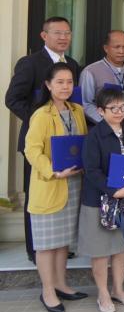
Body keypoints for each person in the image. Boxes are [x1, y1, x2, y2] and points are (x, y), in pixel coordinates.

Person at [6, 16, 80, 263]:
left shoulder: (72, 64)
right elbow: (13, 99)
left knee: (65, 194)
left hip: (67, 144)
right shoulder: (30, 63)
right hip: (39, 144)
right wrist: (41, 119)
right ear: (44, 35)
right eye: (58, 33)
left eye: (67, 33)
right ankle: (35, 248)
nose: (63, 37)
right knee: (38, 196)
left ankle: (62, 244)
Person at [24, 62, 87, 312]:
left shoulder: (77, 110)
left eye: (69, 82)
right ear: (48, 85)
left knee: (63, 242)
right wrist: (52, 171)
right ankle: (48, 291)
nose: (65, 86)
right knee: (46, 244)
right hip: (51, 184)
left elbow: (81, 143)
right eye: (60, 82)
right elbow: (31, 150)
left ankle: (61, 284)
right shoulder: (41, 115)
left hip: (73, 184)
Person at [79, 87, 124, 312]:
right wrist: (113, 190)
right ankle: (103, 294)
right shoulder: (94, 136)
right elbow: (91, 171)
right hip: (98, 200)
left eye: (123, 107)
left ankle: (118, 290)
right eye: (113, 108)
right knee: (101, 250)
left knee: (121, 248)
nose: (120, 112)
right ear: (101, 111)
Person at [80, 30, 124, 125]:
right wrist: (107, 122)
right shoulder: (91, 71)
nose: (121, 51)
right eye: (117, 47)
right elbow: (86, 104)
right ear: (106, 48)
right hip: (101, 126)